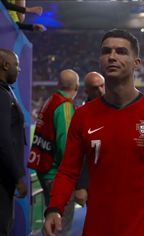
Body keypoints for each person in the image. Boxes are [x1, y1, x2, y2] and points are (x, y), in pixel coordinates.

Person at [43, 29, 144, 236]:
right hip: (97, 229)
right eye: (106, 51)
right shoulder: (83, 116)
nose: (112, 56)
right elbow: (68, 171)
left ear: (136, 62)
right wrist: (54, 208)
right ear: (100, 60)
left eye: (121, 51)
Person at [28, 69, 80, 236]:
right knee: (60, 228)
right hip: (56, 175)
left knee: (51, 225)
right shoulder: (64, 106)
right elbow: (66, 145)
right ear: (77, 87)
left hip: (44, 169)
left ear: (58, 84)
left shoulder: (51, 100)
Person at [0, 48, 27, 235]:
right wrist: (17, 176)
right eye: (17, 65)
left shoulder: (5, 92)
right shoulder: (2, 95)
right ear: (5, 65)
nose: (19, 69)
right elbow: (3, 139)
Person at [74, 71, 105, 206]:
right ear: (86, 91)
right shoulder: (82, 116)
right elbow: (78, 153)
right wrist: (81, 185)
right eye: (94, 88)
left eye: (102, 85)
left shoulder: (118, 108)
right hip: (94, 182)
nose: (100, 90)